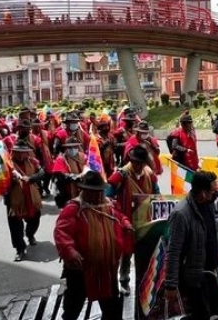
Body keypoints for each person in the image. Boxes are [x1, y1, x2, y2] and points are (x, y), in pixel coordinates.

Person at [54, 171, 133, 320]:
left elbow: (119, 217)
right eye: (93, 191)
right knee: (73, 307)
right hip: (81, 270)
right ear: (84, 190)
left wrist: (126, 223)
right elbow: (61, 231)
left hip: (106, 269)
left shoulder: (109, 205)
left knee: (111, 308)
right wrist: (70, 251)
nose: (97, 195)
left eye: (99, 191)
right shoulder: (74, 208)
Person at [164, 171, 218, 320]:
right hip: (194, 277)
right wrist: (171, 285)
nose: (216, 194)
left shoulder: (207, 204)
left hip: (210, 273)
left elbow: (207, 229)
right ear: (203, 193)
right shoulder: (181, 214)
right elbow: (174, 252)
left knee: (212, 311)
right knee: (201, 314)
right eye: (213, 191)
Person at [106, 146, 159, 294]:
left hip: (145, 220)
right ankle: (123, 280)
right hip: (125, 220)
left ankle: (143, 282)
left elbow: (157, 193)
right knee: (125, 252)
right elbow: (108, 195)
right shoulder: (121, 174)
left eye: (140, 163)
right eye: (135, 162)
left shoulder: (149, 175)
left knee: (144, 252)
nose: (137, 165)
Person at [4, 140, 44, 261]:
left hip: (32, 196)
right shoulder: (6, 163)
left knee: (35, 218)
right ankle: (20, 249)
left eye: (24, 152)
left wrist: (32, 178)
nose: (21, 155)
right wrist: (11, 179)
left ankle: (30, 234)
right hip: (14, 198)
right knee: (15, 224)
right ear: (13, 152)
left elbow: (42, 172)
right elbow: (0, 182)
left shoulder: (33, 161)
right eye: (18, 152)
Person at [51, 137, 87, 208]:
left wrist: (86, 172)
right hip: (67, 192)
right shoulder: (61, 159)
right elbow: (62, 175)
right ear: (66, 148)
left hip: (83, 190)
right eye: (70, 147)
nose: (73, 149)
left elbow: (89, 167)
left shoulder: (83, 156)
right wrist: (78, 176)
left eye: (75, 147)